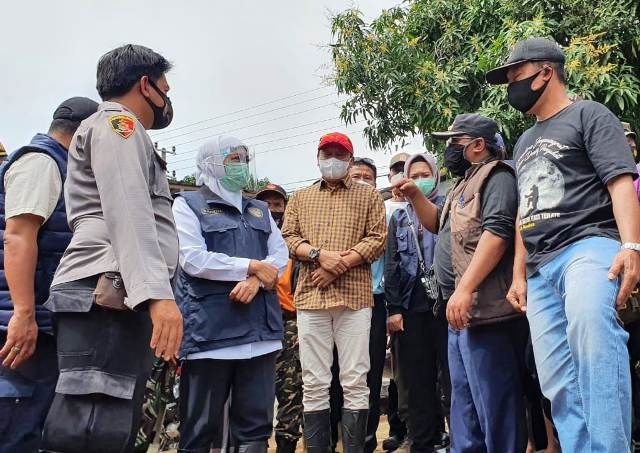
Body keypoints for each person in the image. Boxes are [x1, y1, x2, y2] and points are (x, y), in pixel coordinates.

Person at [486, 36, 640, 452]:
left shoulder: (590, 114)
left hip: (588, 246)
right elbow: (523, 215)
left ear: (545, 72)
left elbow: (619, 182)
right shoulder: (523, 142)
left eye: (515, 76)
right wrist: (519, 274)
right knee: (557, 378)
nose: (510, 86)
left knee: (593, 334)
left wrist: (632, 246)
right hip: (540, 268)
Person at [41, 44, 183, 453]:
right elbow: (129, 210)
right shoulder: (119, 126)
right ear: (145, 85)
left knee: (109, 415)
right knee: (92, 421)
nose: (167, 99)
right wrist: (157, 295)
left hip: (115, 287)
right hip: (105, 289)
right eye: (164, 88)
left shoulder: (120, 131)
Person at [394, 113, 527, 453]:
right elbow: (438, 225)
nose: (449, 150)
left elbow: (497, 233)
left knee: (494, 403)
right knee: (464, 404)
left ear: (478, 145)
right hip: (460, 311)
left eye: (455, 143)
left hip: (487, 310)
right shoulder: (462, 184)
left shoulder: (497, 176)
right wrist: (413, 194)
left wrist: (465, 288)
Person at [173, 136, 288, 453]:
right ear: (211, 164)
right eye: (232, 159)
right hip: (212, 335)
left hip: (261, 333)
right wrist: (251, 266)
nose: (241, 166)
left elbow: (280, 256)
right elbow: (193, 259)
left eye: (243, 159)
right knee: (200, 430)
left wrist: (255, 281)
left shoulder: (260, 210)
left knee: (255, 431)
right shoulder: (187, 204)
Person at [0, 97, 98, 453]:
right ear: (88, 134)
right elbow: (17, 237)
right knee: (17, 430)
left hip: (41, 322)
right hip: (22, 326)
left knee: (38, 429)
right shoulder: (41, 162)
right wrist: (24, 314)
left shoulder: (65, 168)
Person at [282, 132, 387, 453]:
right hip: (312, 299)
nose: (332, 160)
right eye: (326, 154)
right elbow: (288, 236)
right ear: (317, 158)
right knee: (314, 382)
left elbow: (378, 238)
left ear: (350, 159)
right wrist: (317, 256)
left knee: (356, 380)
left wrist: (337, 264)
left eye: (339, 155)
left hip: (354, 299)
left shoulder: (369, 197)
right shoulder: (299, 197)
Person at [385, 152, 450, 453]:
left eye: (426, 174)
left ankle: (459, 439)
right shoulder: (399, 218)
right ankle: (422, 443)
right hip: (412, 308)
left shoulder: (449, 206)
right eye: (416, 175)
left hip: (448, 305)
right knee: (418, 381)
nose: (421, 180)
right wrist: (394, 309)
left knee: (452, 379)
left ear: (436, 176)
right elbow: (392, 265)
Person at [256, 183, 304, 453]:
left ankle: (287, 443)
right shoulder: (249, 236)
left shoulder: (292, 240)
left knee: (290, 389)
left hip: (289, 322)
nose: (272, 210)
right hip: (255, 321)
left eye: (277, 204)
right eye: (266, 205)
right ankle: (256, 442)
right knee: (255, 387)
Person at [382, 152, 409, 453]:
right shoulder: (382, 208)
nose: (401, 174)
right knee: (393, 373)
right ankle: (397, 430)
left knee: (414, 371)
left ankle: (425, 431)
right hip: (385, 300)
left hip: (417, 301)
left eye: (406, 169)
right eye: (396, 169)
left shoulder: (426, 208)